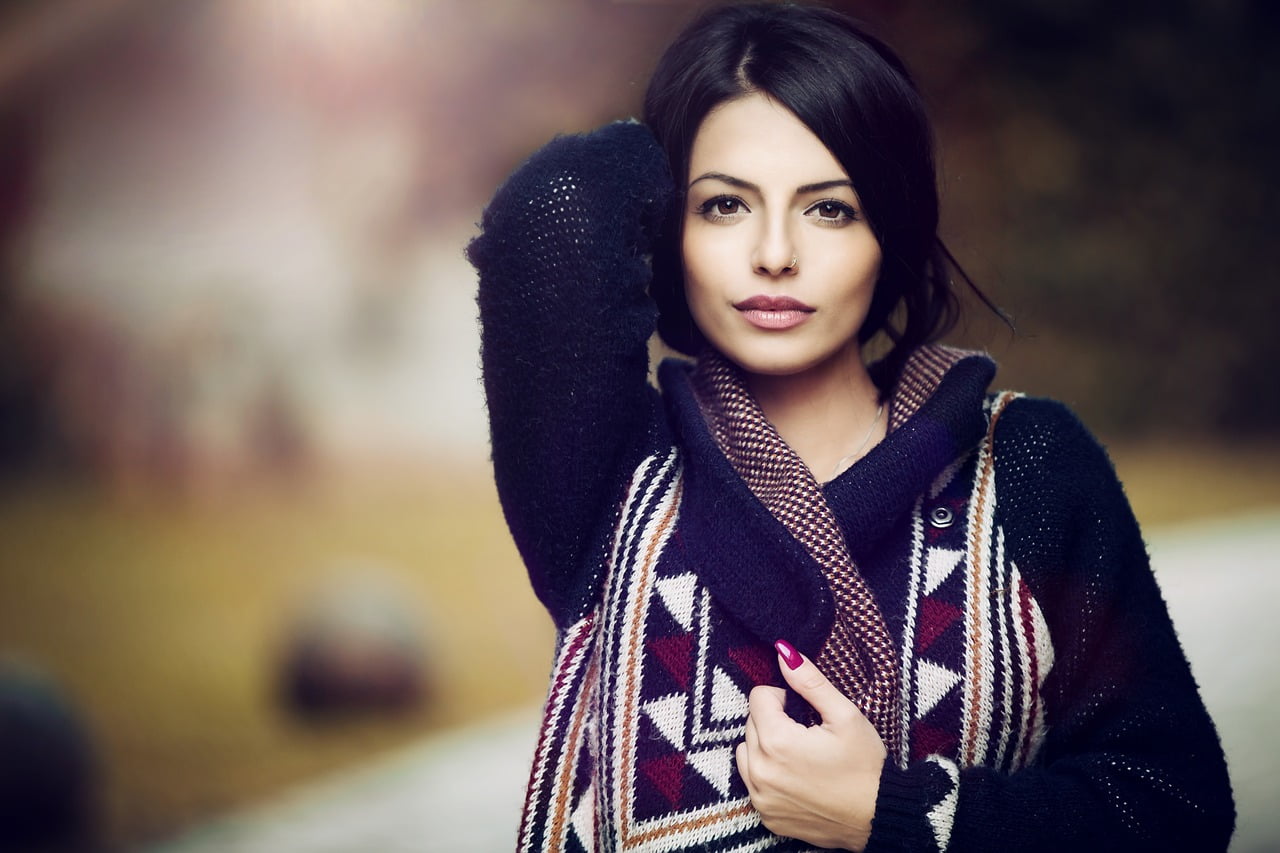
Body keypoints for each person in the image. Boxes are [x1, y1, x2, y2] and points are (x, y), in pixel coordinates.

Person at [467, 4, 1235, 851]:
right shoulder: (614, 478)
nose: (774, 253)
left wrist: (896, 813)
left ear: (889, 232)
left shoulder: (1030, 466)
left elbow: (1172, 805)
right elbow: (552, 210)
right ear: (669, 229)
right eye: (724, 205)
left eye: (829, 208)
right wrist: (686, 115)